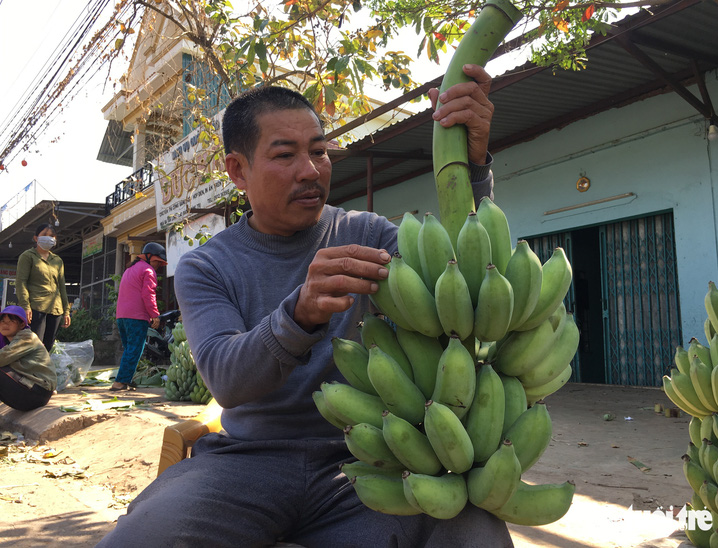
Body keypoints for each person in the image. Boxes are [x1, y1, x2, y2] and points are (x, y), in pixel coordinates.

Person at [97, 64, 513, 547]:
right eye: (285, 154)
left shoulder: (369, 235)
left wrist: (474, 166)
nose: (310, 170)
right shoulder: (206, 266)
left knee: (474, 531)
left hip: (368, 463)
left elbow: (464, 279)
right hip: (245, 465)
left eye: (319, 151)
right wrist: (299, 314)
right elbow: (227, 380)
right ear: (237, 170)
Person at [112, 242, 167, 392]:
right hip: (136, 317)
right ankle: (120, 382)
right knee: (134, 350)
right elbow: (148, 294)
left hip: (122, 316)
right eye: (158, 262)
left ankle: (124, 380)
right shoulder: (148, 270)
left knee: (129, 349)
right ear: (151, 257)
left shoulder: (130, 269)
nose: (159, 265)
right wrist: (155, 315)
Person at [15, 224, 71, 352]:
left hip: (55, 309)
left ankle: (42, 372)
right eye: (44, 235)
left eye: (51, 236)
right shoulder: (27, 256)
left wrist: (66, 311)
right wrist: (25, 306)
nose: (48, 238)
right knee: (34, 346)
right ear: (36, 238)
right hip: (35, 307)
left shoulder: (57, 260)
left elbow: (62, 286)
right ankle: (30, 372)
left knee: (48, 347)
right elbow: (21, 282)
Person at [0, 305, 56, 412]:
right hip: (27, 390)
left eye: (10, 321)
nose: (5, 324)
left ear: (21, 325)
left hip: (38, 393)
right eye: (2, 321)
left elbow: (2, 358)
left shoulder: (27, 337)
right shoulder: (6, 340)